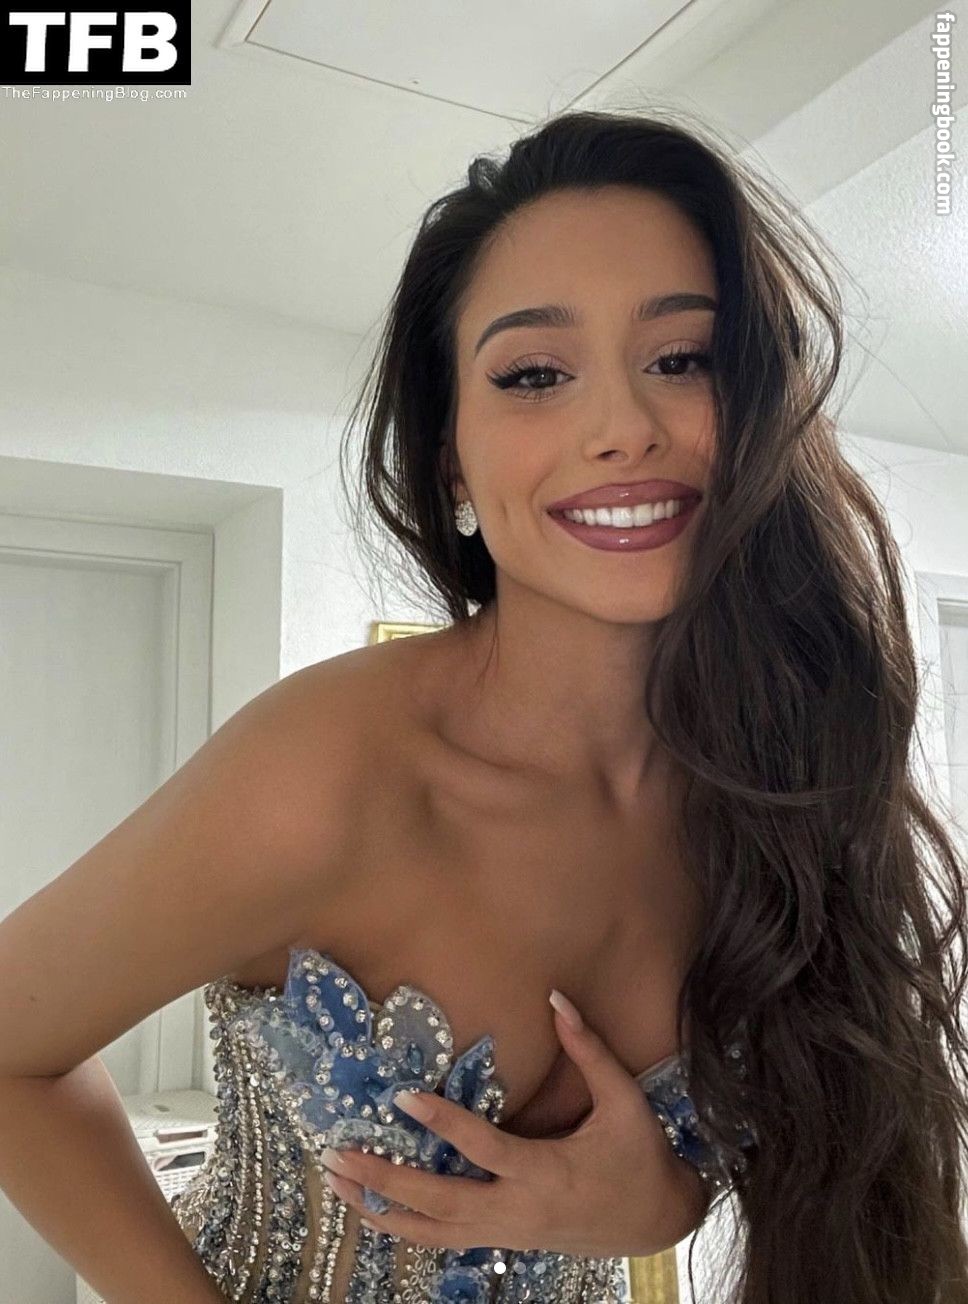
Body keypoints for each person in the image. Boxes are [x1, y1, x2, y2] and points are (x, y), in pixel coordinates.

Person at [0, 106, 965, 1304]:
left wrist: (668, 1201)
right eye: (534, 375)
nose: (622, 428)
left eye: (681, 358)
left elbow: (840, 1154)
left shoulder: (782, 780)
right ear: (451, 452)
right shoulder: (327, 769)